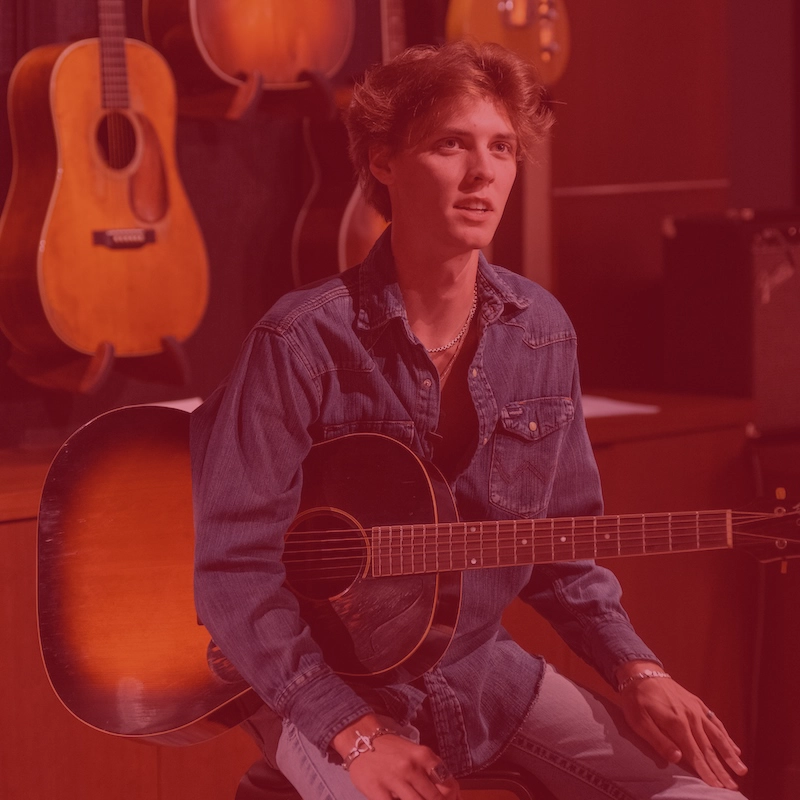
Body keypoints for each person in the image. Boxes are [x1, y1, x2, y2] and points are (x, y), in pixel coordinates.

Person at [191, 40, 749, 800]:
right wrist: (352, 734)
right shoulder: (299, 341)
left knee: (707, 797)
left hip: (483, 675)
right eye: (452, 144)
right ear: (384, 161)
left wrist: (636, 667)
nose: (484, 173)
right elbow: (233, 570)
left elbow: (563, 548)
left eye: (502, 147)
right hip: (326, 693)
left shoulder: (541, 331)